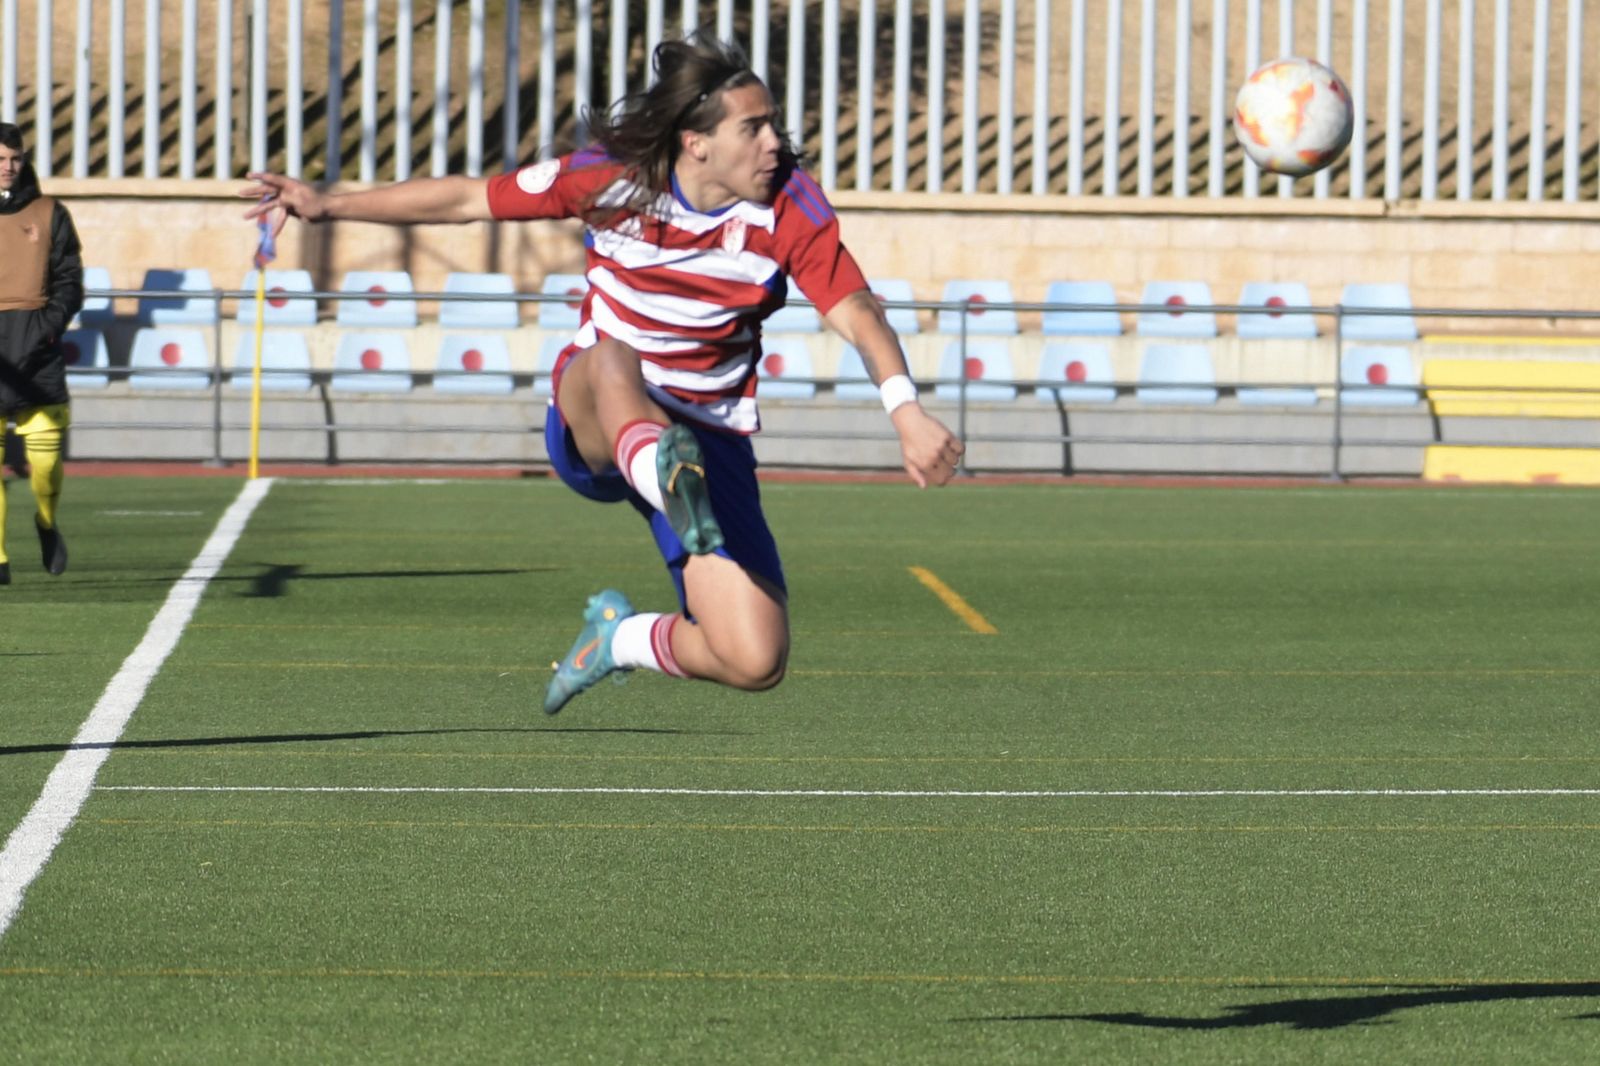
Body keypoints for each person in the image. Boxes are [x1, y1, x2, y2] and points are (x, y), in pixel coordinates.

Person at [242, 32, 964, 713]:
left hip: (706, 439)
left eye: (773, 123)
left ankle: (616, 637)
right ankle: (664, 478)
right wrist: (328, 203)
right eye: (754, 127)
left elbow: (858, 308)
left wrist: (905, 410)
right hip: (596, 409)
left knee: (754, 659)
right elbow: (469, 199)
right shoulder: (610, 177)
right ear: (697, 142)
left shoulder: (790, 207)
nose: (775, 142)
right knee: (615, 352)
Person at [0, 122, 83, 585]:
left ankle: (47, 523)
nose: (7, 168)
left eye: (14, 158)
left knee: (46, 465)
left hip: (37, 348)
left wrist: (48, 327)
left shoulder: (50, 212)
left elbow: (70, 279)